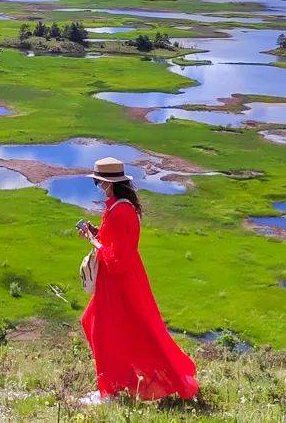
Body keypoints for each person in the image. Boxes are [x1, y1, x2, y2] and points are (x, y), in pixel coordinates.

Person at [78, 157, 199, 402]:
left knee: (104, 333)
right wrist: (97, 234)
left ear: (110, 183)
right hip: (116, 282)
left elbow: (118, 259)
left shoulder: (121, 211)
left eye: (99, 182)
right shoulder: (117, 207)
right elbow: (115, 242)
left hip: (118, 284)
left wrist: (93, 241)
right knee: (102, 327)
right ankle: (116, 385)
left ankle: (109, 393)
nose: (99, 187)